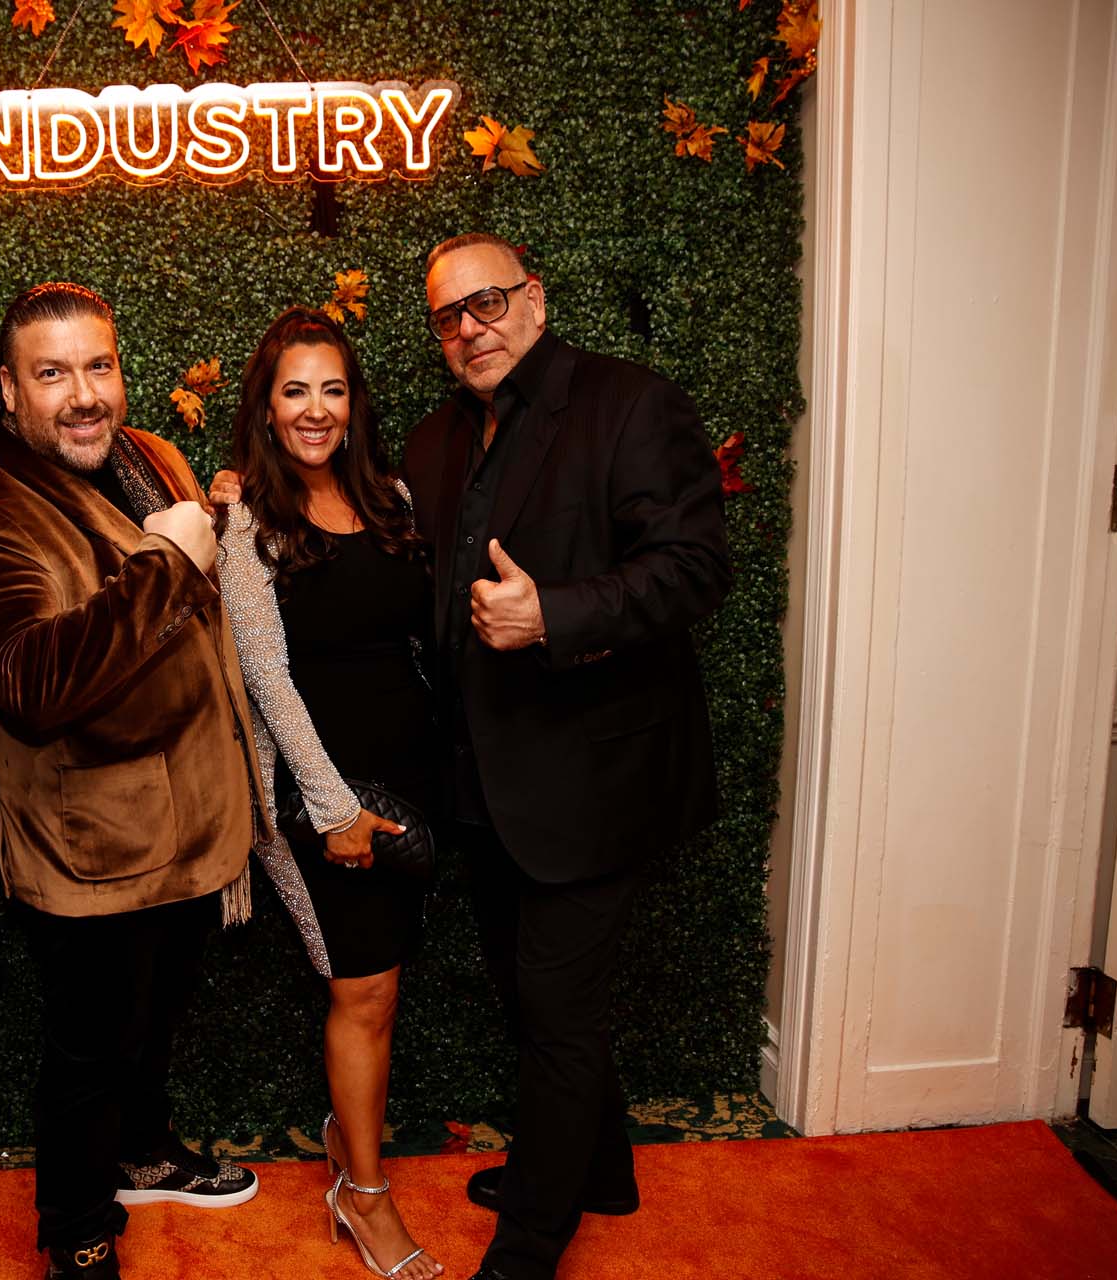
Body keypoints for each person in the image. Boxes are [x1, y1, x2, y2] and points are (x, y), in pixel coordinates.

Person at [403, 234, 731, 1280]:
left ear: (535, 300)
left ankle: (531, 1243)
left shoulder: (629, 404)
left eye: (488, 302)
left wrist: (554, 613)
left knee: (554, 1006)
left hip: (595, 778)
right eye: (448, 317)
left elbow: (695, 566)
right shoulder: (436, 439)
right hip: (484, 780)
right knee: (533, 992)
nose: (470, 328)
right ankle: (602, 1167)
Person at [0, 282, 267, 1280]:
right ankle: (78, 1229)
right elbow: (31, 685)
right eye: (52, 373)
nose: (83, 394)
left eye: (98, 366)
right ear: (9, 390)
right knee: (89, 1048)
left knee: (155, 1017)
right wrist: (168, 561)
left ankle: (145, 1148)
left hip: (193, 824)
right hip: (91, 849)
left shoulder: (151, 454)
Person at [215, 307, 443, 1280]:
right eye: (295, 390)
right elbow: (267, 679)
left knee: (384, 985)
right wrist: (334, 808)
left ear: (355, 405)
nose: (315, 409)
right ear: (267, 408)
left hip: (413, 786)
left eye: (333, 389)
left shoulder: (393, 499)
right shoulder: (246, 524)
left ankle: (350, 1137)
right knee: (365, 987)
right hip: (319, 797)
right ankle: (366, 1194)